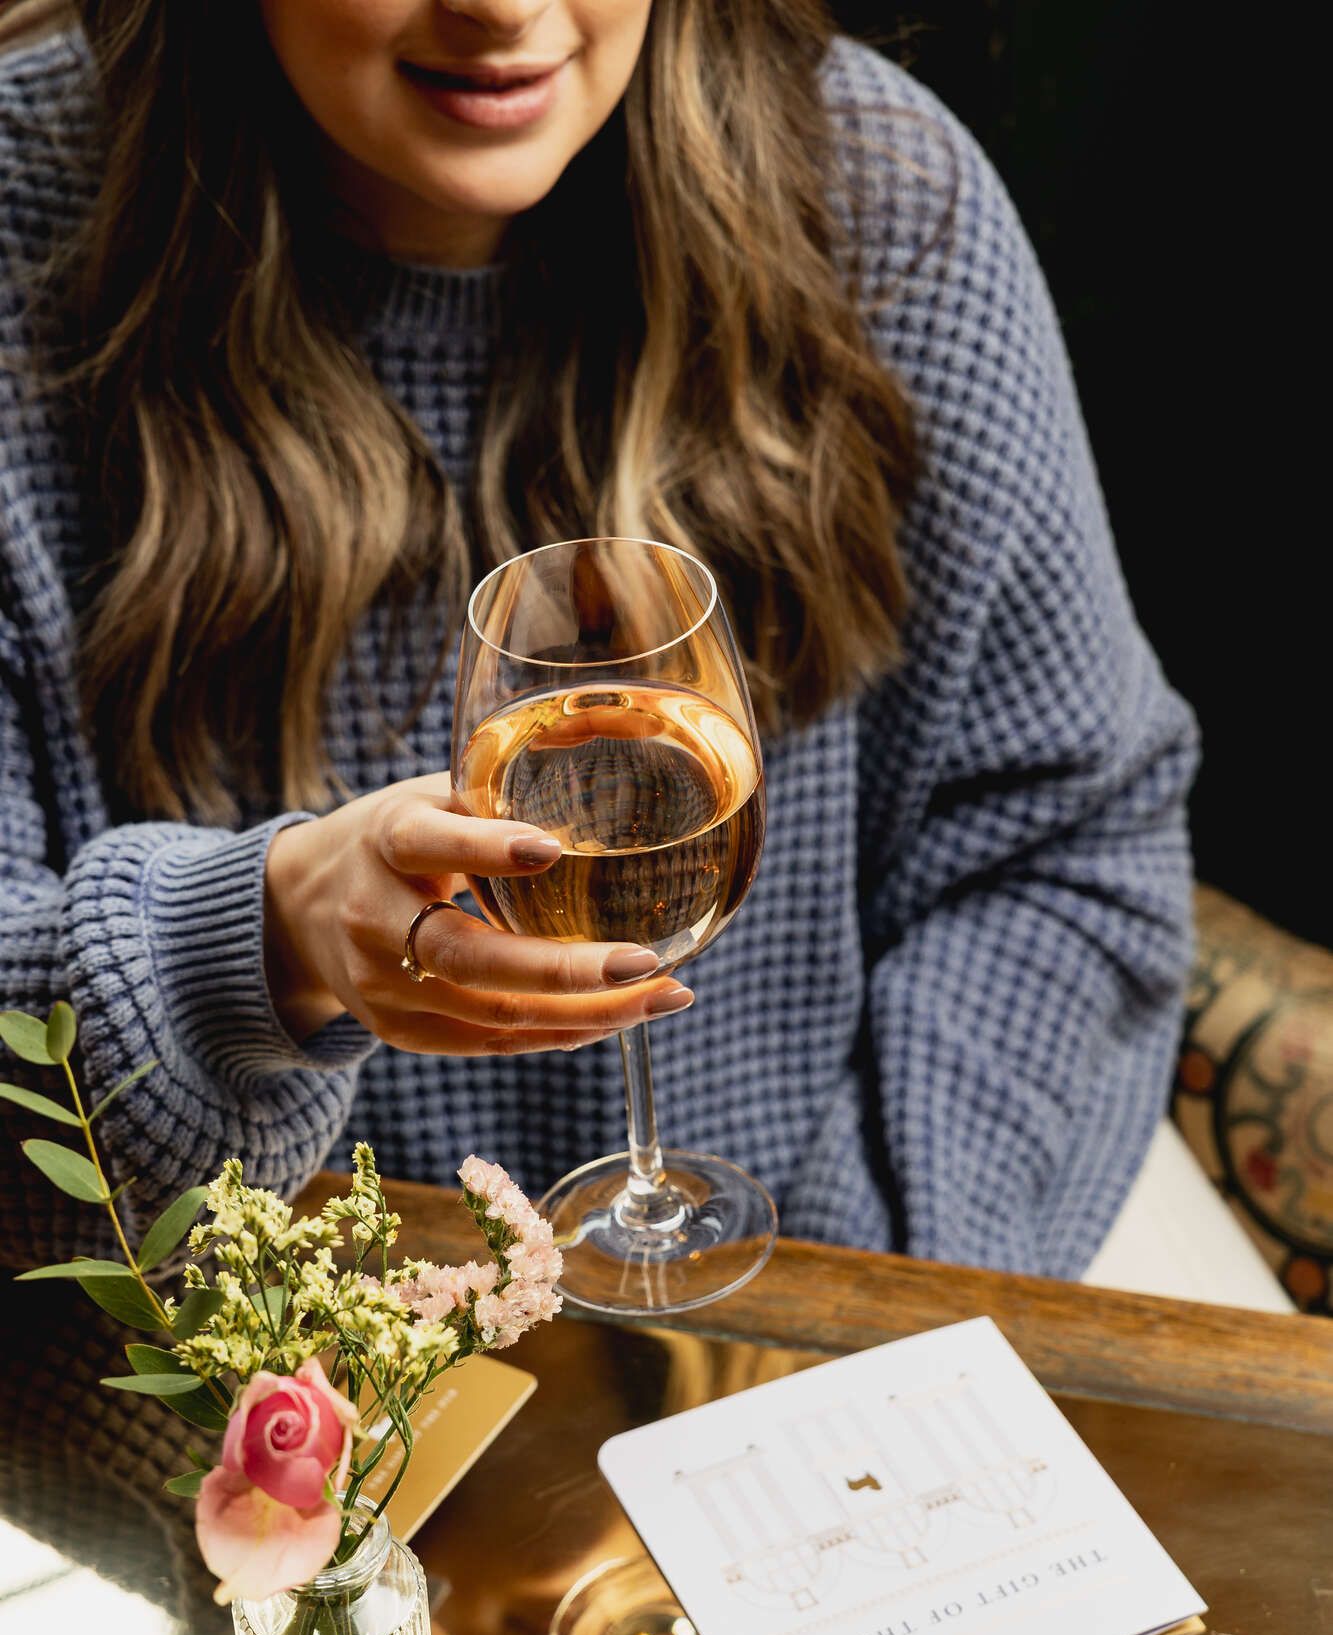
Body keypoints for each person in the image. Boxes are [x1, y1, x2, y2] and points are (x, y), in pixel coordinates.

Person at [0, 0, 1198, 1278]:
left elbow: (1069, 846)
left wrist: (838, 1299)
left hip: (797, 1313)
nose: (503, 10)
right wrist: (256, 945)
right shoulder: (27, 236)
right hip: (247, 1375)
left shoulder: (880, 198)